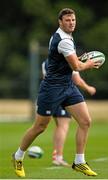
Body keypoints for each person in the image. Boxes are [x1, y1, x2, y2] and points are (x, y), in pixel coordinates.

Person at [12, 8, 101, 177]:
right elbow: (76, 67)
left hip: (67, 86)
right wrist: (88, 64)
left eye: (73, 20)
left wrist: (80, 59)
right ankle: (18, 156)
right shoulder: (63, 40)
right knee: (40, 127)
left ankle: (79, 161)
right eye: (67, 20)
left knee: (85, 121)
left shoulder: (67, 36)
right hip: (51, 90)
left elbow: (70, 63)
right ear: (60, 22)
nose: (71, 23)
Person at [42, 60, 96, 167]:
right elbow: (76, 80)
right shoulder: (68, 59)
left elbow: (45, 78)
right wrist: (88, 88)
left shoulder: (46, 62)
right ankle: (58, 157)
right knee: (63, 125)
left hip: (50, 94)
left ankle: (57, 155)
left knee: (59, 125)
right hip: (63, 94)